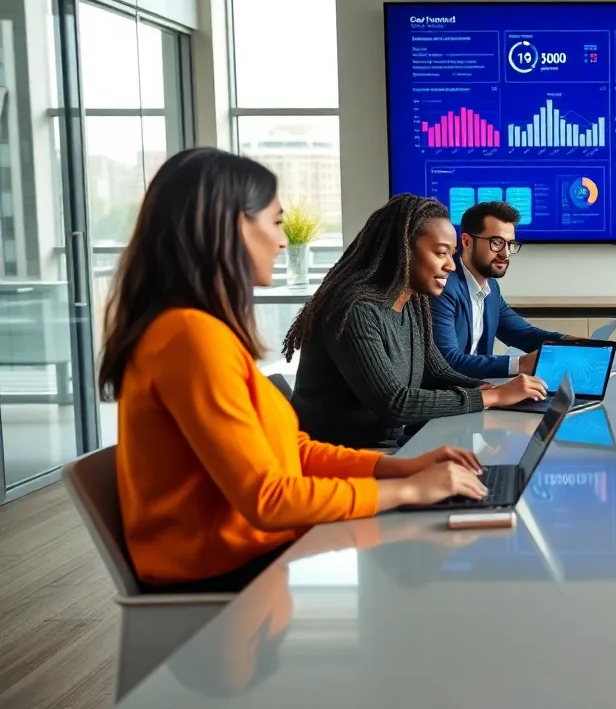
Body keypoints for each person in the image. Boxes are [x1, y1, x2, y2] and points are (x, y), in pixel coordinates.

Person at [101, 149, 490, 592]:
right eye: (276, 222)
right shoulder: (189, 339)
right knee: (441, 565)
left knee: (439, 553)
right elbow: (269, 498)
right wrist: (409, 492)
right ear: (230, 226)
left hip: (257, 559)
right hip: (232, 580)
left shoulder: (201, 332)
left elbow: (293, 450)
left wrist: (402, 470)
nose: (283, 241)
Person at [285, 195, 547, 448]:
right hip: (338, 456)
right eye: (441, 253)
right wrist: (491, 396)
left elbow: (436, 372)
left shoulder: (412, 302)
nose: (451, 266)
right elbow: (394, 404)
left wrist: (487, 389)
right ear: (404, 250)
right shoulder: (353, 310)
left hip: (386, 445)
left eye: (451, 253)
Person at [431, 201, 570, 380]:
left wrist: (571, 343)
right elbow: (447, 361)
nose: (505, 253)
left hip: (479, 389)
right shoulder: (443, 285)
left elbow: (523, 334)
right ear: (467, 242)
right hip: (450, 398)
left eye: (510, 244)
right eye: (496, 243)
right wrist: (522, 364)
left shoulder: (491, 288)